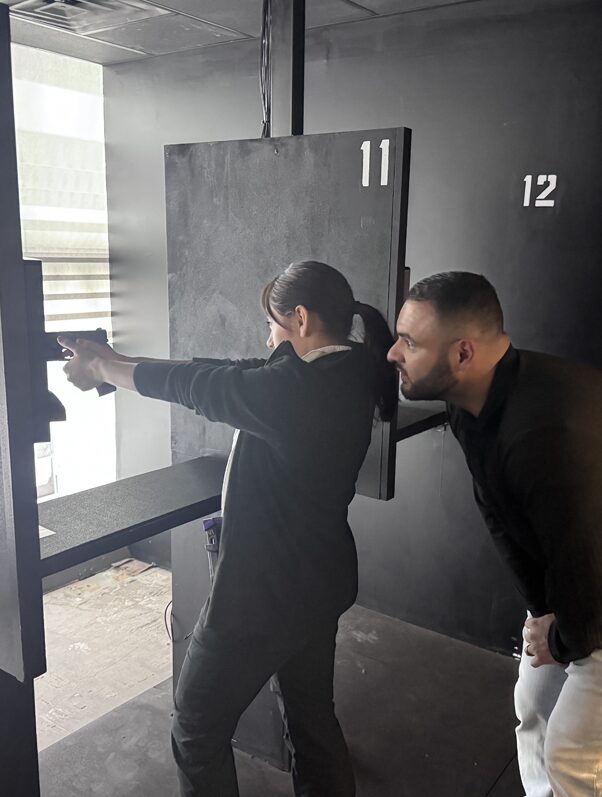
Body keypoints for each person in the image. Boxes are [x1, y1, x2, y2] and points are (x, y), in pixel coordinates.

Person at [60, 260, 398, 797]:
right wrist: (115, 359)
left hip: (260, 596)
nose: (269, 339)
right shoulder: (349, 370)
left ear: (302, 319)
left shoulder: (295, 392)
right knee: (313, 724)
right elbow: (225, 369)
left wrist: (103, 371)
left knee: (195, 726)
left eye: (274, 326)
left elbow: (203, 386)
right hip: (317, 581)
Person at [387, 270, 602, 797]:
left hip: (598, 593)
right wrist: (542, 611)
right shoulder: (470, 404)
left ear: (463, 354)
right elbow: (498, 512)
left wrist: (561, 635)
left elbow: (590, 566)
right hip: (576, 583)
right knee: (532, 709)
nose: (393, 353)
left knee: (572, 755)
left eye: (409, 342)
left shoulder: (542, 435)